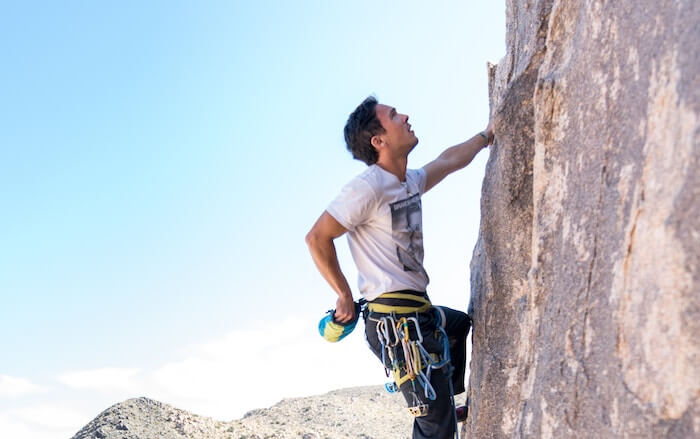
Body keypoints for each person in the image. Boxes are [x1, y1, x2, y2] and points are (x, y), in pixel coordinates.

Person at [305, 96, 494, 439]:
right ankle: (439, 417)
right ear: (378, 141)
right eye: (393, 116)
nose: (405, 115)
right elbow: (317, 237)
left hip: (417, 312)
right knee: (434, 430)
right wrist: (343, 294)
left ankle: (443, 409)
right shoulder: (368, 186)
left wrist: (486, 136)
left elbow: (448, 161)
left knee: (457, 326)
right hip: (396, 326)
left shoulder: (407, 180)